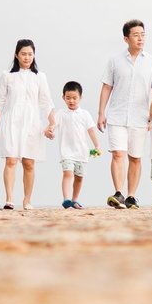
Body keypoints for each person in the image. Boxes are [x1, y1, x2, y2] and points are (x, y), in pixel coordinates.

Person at [96, 19, 152, 209]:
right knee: (118, 154)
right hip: (117, 115)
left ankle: (131, 196)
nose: (140, 38)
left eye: (143, 34)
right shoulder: (115, 61)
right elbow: (106, 87)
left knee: (135, 157)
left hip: (141, 117)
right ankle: (118, 193)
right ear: (126, 38)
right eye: (136, 35)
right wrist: (101, 113)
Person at [0, 39, 54, 209]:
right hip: (11, 122)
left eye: (30, 54)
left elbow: (46, 102)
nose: (27, 57)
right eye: (23, 54)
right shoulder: (7, 76)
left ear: (34, 56)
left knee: (28, 163)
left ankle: (27, 200)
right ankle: (9, 198)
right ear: (17, 55)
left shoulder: (40, 77)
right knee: (11, 160)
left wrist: (51, 124)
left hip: (32, 123)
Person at [51, 81, 104, 209]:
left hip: (82, 153)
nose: (71, 101)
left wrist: (97, 145)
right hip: (66, 152)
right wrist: (50, 131)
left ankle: (74, 200)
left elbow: (91, 130)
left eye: (75, 98)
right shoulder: (61, 114)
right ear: (63, 97)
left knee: (79, 177)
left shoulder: (85, 114)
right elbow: (52, 125)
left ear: (80, 98)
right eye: (68, 98)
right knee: (67, 173)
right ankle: (66, 199)